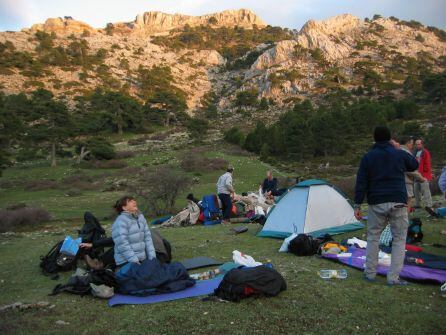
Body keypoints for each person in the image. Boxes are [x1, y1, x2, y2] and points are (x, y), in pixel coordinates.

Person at [354, 126, 418, 286]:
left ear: (374, 139)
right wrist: (400, 148)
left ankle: (369, 274)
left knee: (373, 238)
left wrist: (357, 205)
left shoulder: (368, 157)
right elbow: (414, 164)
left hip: (377, 202)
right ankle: (393, 278)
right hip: (398, 201)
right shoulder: (398, 153)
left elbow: (361, 183)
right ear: (390, 139)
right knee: (399, 239)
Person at [111, 196, 156, 269]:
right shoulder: (120, 222)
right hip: (126, 261)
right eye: (130, 201)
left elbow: (148, 238)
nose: (134, 202)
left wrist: (152, 258)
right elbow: (123, 244)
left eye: (134, 200)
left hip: (142, 259)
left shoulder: (141, 218)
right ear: (124, 208)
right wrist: (134, 261)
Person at [398, 136, 426, 213]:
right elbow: (408, 169)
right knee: (408, 199)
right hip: (406, 180)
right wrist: (420, 177)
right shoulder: (405, 152)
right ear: (407, 143)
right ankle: (405, 219)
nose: (412, 146)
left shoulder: (397, 150)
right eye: (412, 143)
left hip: (399, 180)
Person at [414, 139, 433, 210]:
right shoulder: (415, 152)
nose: (417, 145)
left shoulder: (425, 152)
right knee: (416, 189)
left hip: (423, 174)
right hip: (416, 174)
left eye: (419, 144)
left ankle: (429, 204)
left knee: (425, 190)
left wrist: (423, 173)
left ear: (422, 144)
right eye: (416, 144)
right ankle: (417, 204)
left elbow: (427, 164)